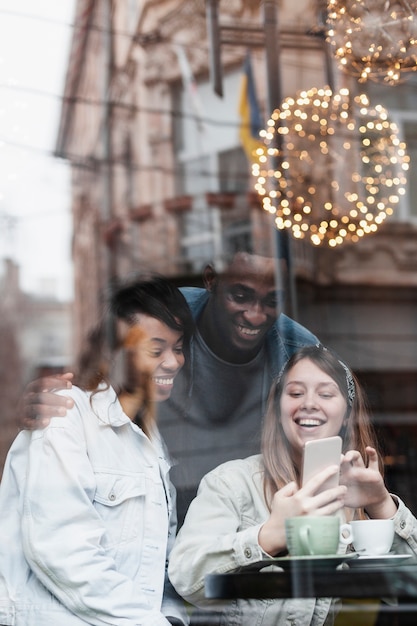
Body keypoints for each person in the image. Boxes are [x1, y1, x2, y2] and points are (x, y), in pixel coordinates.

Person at [16, 251, 319, 523]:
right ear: (211, 281)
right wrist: (53, 403)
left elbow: (339, 421)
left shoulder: (299, 347)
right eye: (240, 296)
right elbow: (97, 374)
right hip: (164, 523)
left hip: (248, 528)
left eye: (273, 300)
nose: (255, 314)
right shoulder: (164, 312)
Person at [168, 345, 417, 626]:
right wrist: (268, 537)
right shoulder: (231, 483)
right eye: (296, 393)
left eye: (325, 393)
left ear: (347, 414)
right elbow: (186, 579)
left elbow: (408, 591)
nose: (309, 403)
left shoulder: (351, 496)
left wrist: (380, 504)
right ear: (277, 408)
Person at [0, 276, 193, 626]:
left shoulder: (151, 441)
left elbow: (158, 566)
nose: (174, 361)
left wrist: (171, 617)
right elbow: (64, 552)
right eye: (156, 349)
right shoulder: (63, 416)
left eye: (178, 347)